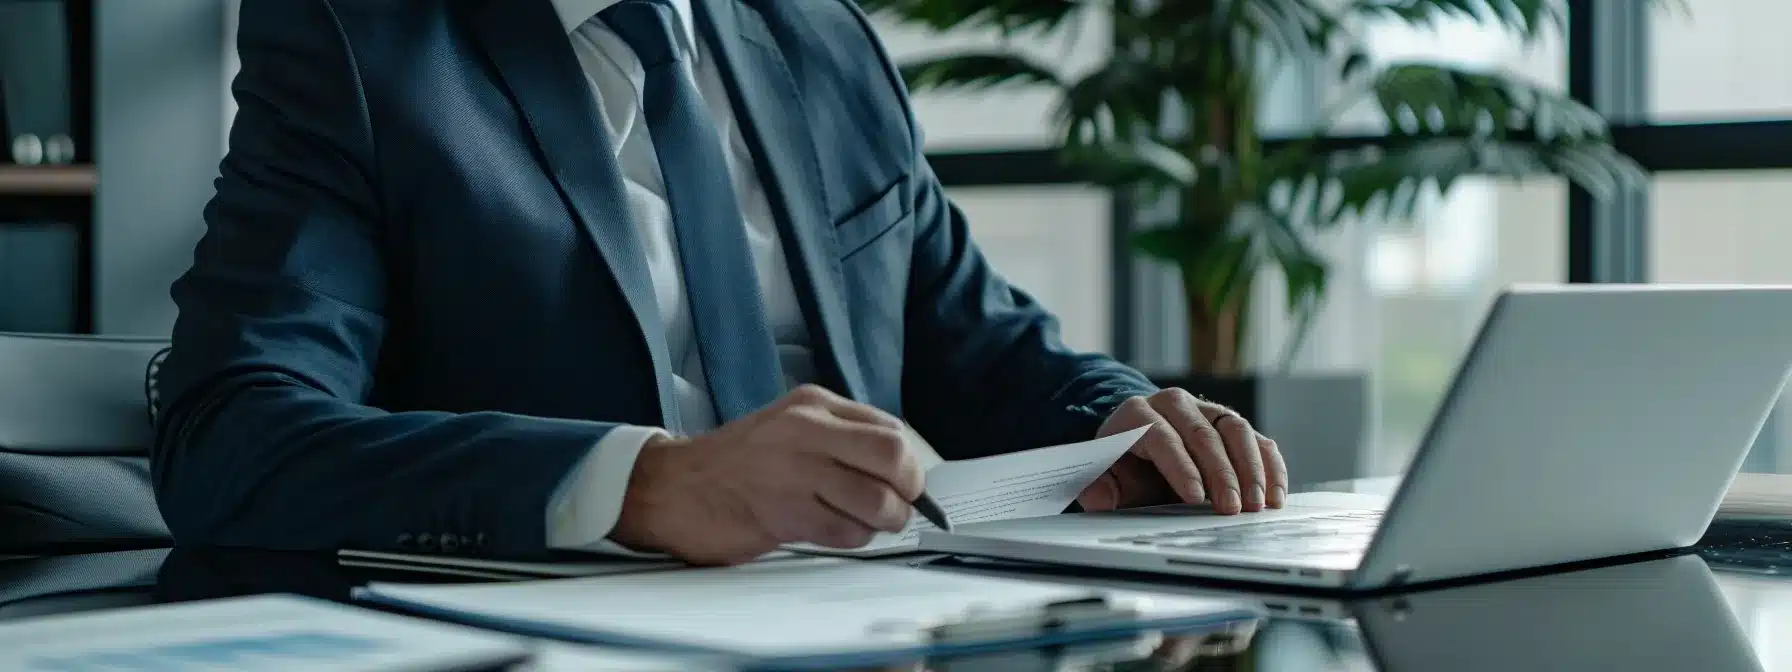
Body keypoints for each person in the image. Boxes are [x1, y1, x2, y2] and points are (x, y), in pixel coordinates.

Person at [151, 0, 1288, 565]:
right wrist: (646, 486)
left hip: (883, 617)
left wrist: (1116, 420)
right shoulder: (361, 41)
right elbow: (229, 435)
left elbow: (985, 351)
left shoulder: (824, 38)